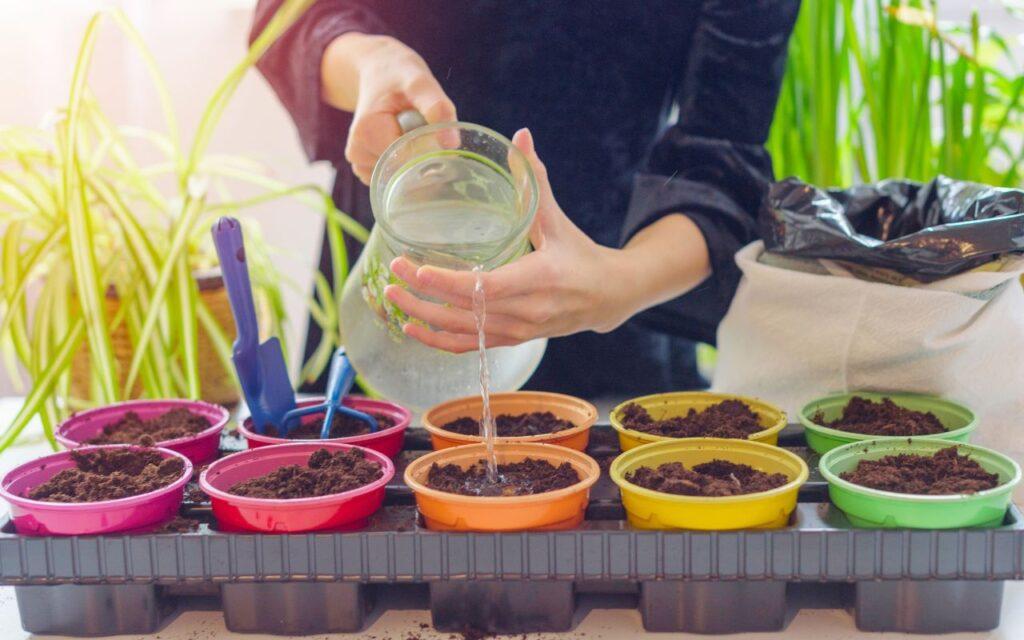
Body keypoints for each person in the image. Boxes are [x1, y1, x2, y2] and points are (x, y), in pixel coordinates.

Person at [251, 0, 800, 398]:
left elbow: (722, 158)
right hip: (395, 268)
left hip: (609, 293)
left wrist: (615, 285)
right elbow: (290, 20)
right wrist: (370, 62)